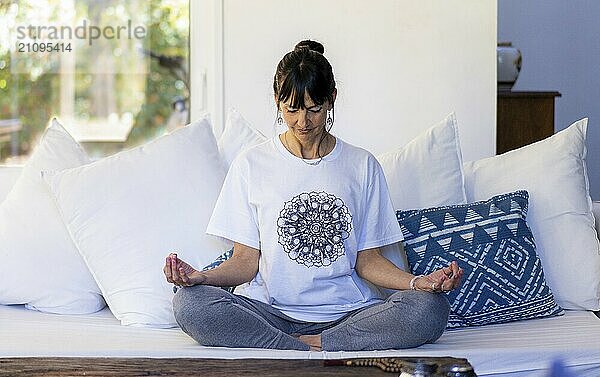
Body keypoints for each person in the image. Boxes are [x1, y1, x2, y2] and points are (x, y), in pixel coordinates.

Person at [164, 40, 463, 352]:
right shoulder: (251, 164)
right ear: (277, 101)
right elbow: (245, 263)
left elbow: (368, 261)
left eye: (314, 109)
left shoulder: (362, 165)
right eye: (291, 109)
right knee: (188, 303)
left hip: (349, 314)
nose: (302, 122)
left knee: (431, 309)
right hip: (270, 314)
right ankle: (295, 344)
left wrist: (420, 283)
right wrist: (202, 277)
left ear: (331, 98)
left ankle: (315, 343)